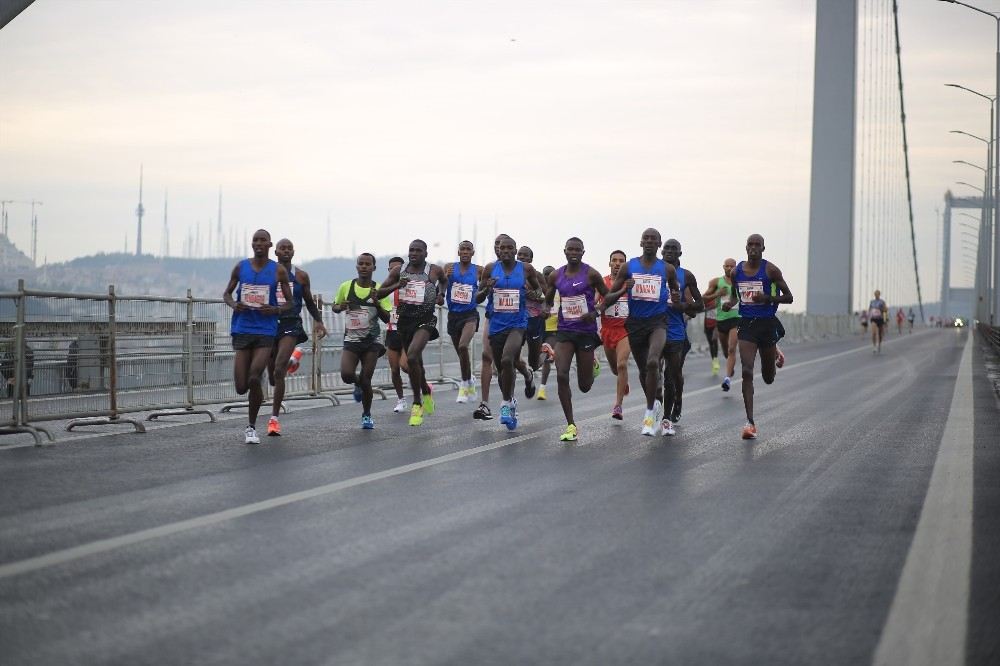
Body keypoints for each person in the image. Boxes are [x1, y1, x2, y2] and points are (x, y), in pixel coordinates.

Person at [600, 228, 680, 436]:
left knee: (654, 361)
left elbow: (674, 288)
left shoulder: (667, 269)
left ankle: (649, 414)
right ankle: (655, 401)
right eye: (646, 238)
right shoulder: (629, 266)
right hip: (635, 324)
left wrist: (676, 297)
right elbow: (609, 298)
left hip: (658, 323)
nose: (650, 242)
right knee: (645, 370)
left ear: (659, 243)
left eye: (654, 239)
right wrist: (622, 289)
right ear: (641, 242)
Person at [222, 229, 292, 444]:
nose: (259, 243)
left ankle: (251, 427)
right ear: (252, 244)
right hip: (243, 328)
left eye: (263, 240)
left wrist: (276, 310)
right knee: (241, 386)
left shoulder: (278, 270)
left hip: (265, 331)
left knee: (254, 376)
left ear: (270, 245)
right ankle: (257, 388)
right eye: (255, 240)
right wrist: (235, 304)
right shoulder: (241, 267)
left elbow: (290, 302)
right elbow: (226, 294)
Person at [721, 233, 793, 440]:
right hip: (746, 325)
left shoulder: (770, 270)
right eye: (750, 245)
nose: (753, 248)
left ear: (763, 248)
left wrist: (767, 298)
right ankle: (750, 422)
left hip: (767, 325)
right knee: (746, 370)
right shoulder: (737, 272)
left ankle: (775, 356)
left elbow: (788, 297)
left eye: (757, 245)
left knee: (768, 377)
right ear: (745, 248)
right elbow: (737, 295)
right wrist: (730, 303)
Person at [545, 237, 613, 441]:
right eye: (570, 249)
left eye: (577, 250)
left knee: (584, 386)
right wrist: (545, 310)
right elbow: (547, 301)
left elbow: (608, 296)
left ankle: (592, 364)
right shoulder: (556, 275)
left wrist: (597, 311)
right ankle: (571, 425)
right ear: (564, 251)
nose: (573, 252)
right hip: (564, 331)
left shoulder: (591, 274)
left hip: (585, 332)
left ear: (583, 252)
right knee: (562, 374)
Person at [376, 240, 447, 426]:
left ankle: (417, 403)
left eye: (418, 250)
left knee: (413, 357)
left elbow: (444, 282)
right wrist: (396, 285)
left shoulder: (434, 270)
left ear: (425, 253)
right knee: (417, 366)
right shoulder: (399, 271)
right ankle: (425, 391)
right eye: (411, 250)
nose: (413, 253)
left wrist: (441, 294)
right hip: (404, 322)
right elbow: (379, 293)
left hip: (426, 320)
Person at [477, 235, 544, 431]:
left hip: (518, 323)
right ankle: (511, 401)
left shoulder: (525, 269)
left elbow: (539, 291)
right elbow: (477, 297)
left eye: (509, 248)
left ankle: (505, 405)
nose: (505, 251)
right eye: (502, 248)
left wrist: (535, 295)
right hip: (497, 324)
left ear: (515, 251)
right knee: (501, 369)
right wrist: (486, 288)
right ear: (498, 250)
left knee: (508, 360)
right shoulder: (490, 269)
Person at [265, 238, 328, 436]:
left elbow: (308, 301)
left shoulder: (300, 276)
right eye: (282, 248)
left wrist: (318, 321)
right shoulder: (267, 273)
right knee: (274, 376)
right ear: (275, 252)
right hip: (268, 324)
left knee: (278, 370)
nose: (285, 251)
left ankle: (274, 420)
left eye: (289, 248)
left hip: (290, 324)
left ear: (293, 252)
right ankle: (292, 360)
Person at [333, 253, 393, 429]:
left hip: (371, 341)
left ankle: (366, 415)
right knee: (346, 375)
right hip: (351, 339)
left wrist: (377, 303)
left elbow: (387, 318)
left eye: (368, 264)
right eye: (361, 264)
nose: (364, 267)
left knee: (367, 379)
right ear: (357, 266)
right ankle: (357, 385)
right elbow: (335, 306)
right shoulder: (346, 286)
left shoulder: (379, 289)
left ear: (374, 268)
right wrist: (340, 307)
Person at [660, 239, 703, 436]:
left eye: (673, 249)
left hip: (677, 332)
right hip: (652, 329)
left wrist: (683, 306)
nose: (669, 251)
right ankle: (658, 403)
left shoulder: (686, 276)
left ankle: (675, 403)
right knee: (652, 370)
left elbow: (699, 306)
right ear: (661, 251)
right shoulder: (651, 271)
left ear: (680, 253)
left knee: (672, 375)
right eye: (666, 248)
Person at [444, 241, 481, 403]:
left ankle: (464, 384)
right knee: (461, 354)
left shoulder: (479, 270)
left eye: (468, 249)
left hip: (470, 315)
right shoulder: (450, 268)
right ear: (458, 252)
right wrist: (445, 278)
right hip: (453, 316)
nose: (465, 252)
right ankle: (470, 379)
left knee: (463, 346)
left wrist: (483, 289)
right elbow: (442, 286)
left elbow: (485, 287)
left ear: (473, 252)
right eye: (462, 249)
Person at [600, 251, 631, 420]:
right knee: (615, 369)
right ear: (610, 263)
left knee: (621, 365)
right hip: (607, 330)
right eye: (615, 260)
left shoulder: (630, 283)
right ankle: (623, 382)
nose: (618, 263)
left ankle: (618, 406)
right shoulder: (602, 282)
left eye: (621, 261)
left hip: (625, 330)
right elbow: (596, 302)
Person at [702, 258, 740, 393]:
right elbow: (703, 298)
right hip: (721, 320)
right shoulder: (716, 282)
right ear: (723, 267)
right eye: (727, 266)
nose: (729, 268)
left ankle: (727, 379)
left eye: (732, 266)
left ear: (736, 267)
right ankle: (731, 367)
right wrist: (717, 294)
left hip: (736, 319)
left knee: (731, 349)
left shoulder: (741, 281)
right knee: (725, 351)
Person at [383, 256, 410, 413]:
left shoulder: (411, 286)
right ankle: (401, 399)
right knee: (394, 369)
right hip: (392, 330)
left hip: (408, 331)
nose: (395, 272)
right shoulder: (385, 290)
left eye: (397, 269)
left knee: (405, 365)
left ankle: (422, 384)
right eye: (391, 269)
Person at [537, 265, 558, 400]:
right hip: (539, 328)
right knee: (540, 359)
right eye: (546, 274)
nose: (548, 277)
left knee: (545, 355)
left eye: (551, 275)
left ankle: (542, 389)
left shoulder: (560, 291)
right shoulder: (538, 291)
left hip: (554, 330)